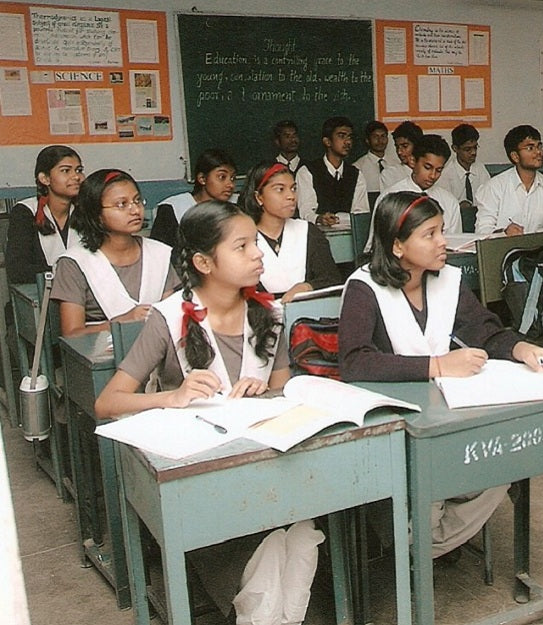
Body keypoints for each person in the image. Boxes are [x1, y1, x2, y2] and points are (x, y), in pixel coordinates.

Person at [94, 200, 322, 625]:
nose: (258, 253)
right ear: (203, 262)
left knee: (299, 534)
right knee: (265, 549)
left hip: (263, 460)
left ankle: (274, 609)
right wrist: (172, 396)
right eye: (242, 246)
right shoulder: (168, 318)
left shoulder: (271, 312)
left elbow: (283, 387)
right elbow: (108, 402)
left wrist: (269, 392)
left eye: (256, 242)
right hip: (201, 473)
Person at [339, 191, 543, 557]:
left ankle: (424, 541)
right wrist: (438, 366)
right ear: (398, 246)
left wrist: (525, 349)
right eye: (430, 234)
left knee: (509, 458)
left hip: (445, 415)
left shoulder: (447, 280)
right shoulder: (364, 288)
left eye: (441, 230)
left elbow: (486, 331)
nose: (443, 242)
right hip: (398, 426)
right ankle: (421, 537)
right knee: (429, 500)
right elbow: (355, 362)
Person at [53, 169, 178, 338]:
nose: (135, 210)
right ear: (96, 215)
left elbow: (173, 318)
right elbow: (71, 334)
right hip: (100, 357)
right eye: (122, 204)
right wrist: (121, 322)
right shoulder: (74, 262)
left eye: (137, 201)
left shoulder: (159, 253)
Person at [241, 162, 342, 302]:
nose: (291, 196)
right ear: (259, 198)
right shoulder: (242, 240)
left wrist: (307, 287)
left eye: (293, 189)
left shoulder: (308, 232)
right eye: (280, 189)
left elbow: (331, 279)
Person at [366, 135, 462, 251]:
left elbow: (455, 247)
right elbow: (377, 247)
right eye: (427, 167)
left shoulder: (449, 201)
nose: (433, 176)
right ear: (412, 161)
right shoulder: (389, 198)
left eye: (438, 170)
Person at [6, 145, 85, 285]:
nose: (76, 177)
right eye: (66, 171)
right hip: (43, 297)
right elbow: (18, 271)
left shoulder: (86, 211)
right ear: (45, 179)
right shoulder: (25, 212)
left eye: (79, 170)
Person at [475, 125, 543, 235]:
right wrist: (504, 232)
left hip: (537, 249)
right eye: (530, 148)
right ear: (515, 156)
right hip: (503, 249)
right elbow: (482, 230)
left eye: (539, 146)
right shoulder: (494, 187)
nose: (538, 152)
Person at [151, 149, 237, 248]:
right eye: (222, 177)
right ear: (202, 179)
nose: (230, 185)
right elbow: (160, 252)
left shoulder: (236, 206)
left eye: (232, 178)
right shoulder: (173, 208)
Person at [295, 116, 368, 227]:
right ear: (327, 141)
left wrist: (338, 218)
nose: (348, 142)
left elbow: (361, 215)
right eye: (341, 136)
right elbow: (306, 212)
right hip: (318, 236)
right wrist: (319, 218)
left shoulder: (356, 174)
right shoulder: (307, 172)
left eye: (350, 137)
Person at [437, 124, 491, 216]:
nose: (473, 152)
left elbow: (489, 197)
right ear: (455, 149)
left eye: (475, 147)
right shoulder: (445, 173)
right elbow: (444, 206)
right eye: (467, 149)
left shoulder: (480, 168)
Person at [379, 121, 423, 191]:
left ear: (417, 145)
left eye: (405, 146)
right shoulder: (389, 174)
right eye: (397, 147)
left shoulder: (430, 171)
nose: (399, 152)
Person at [353, 120, 392, 194]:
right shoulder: (358, 167)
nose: (380, 140)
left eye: (383, 136)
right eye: (375, 136)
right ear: (367, 140)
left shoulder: (396, 164)